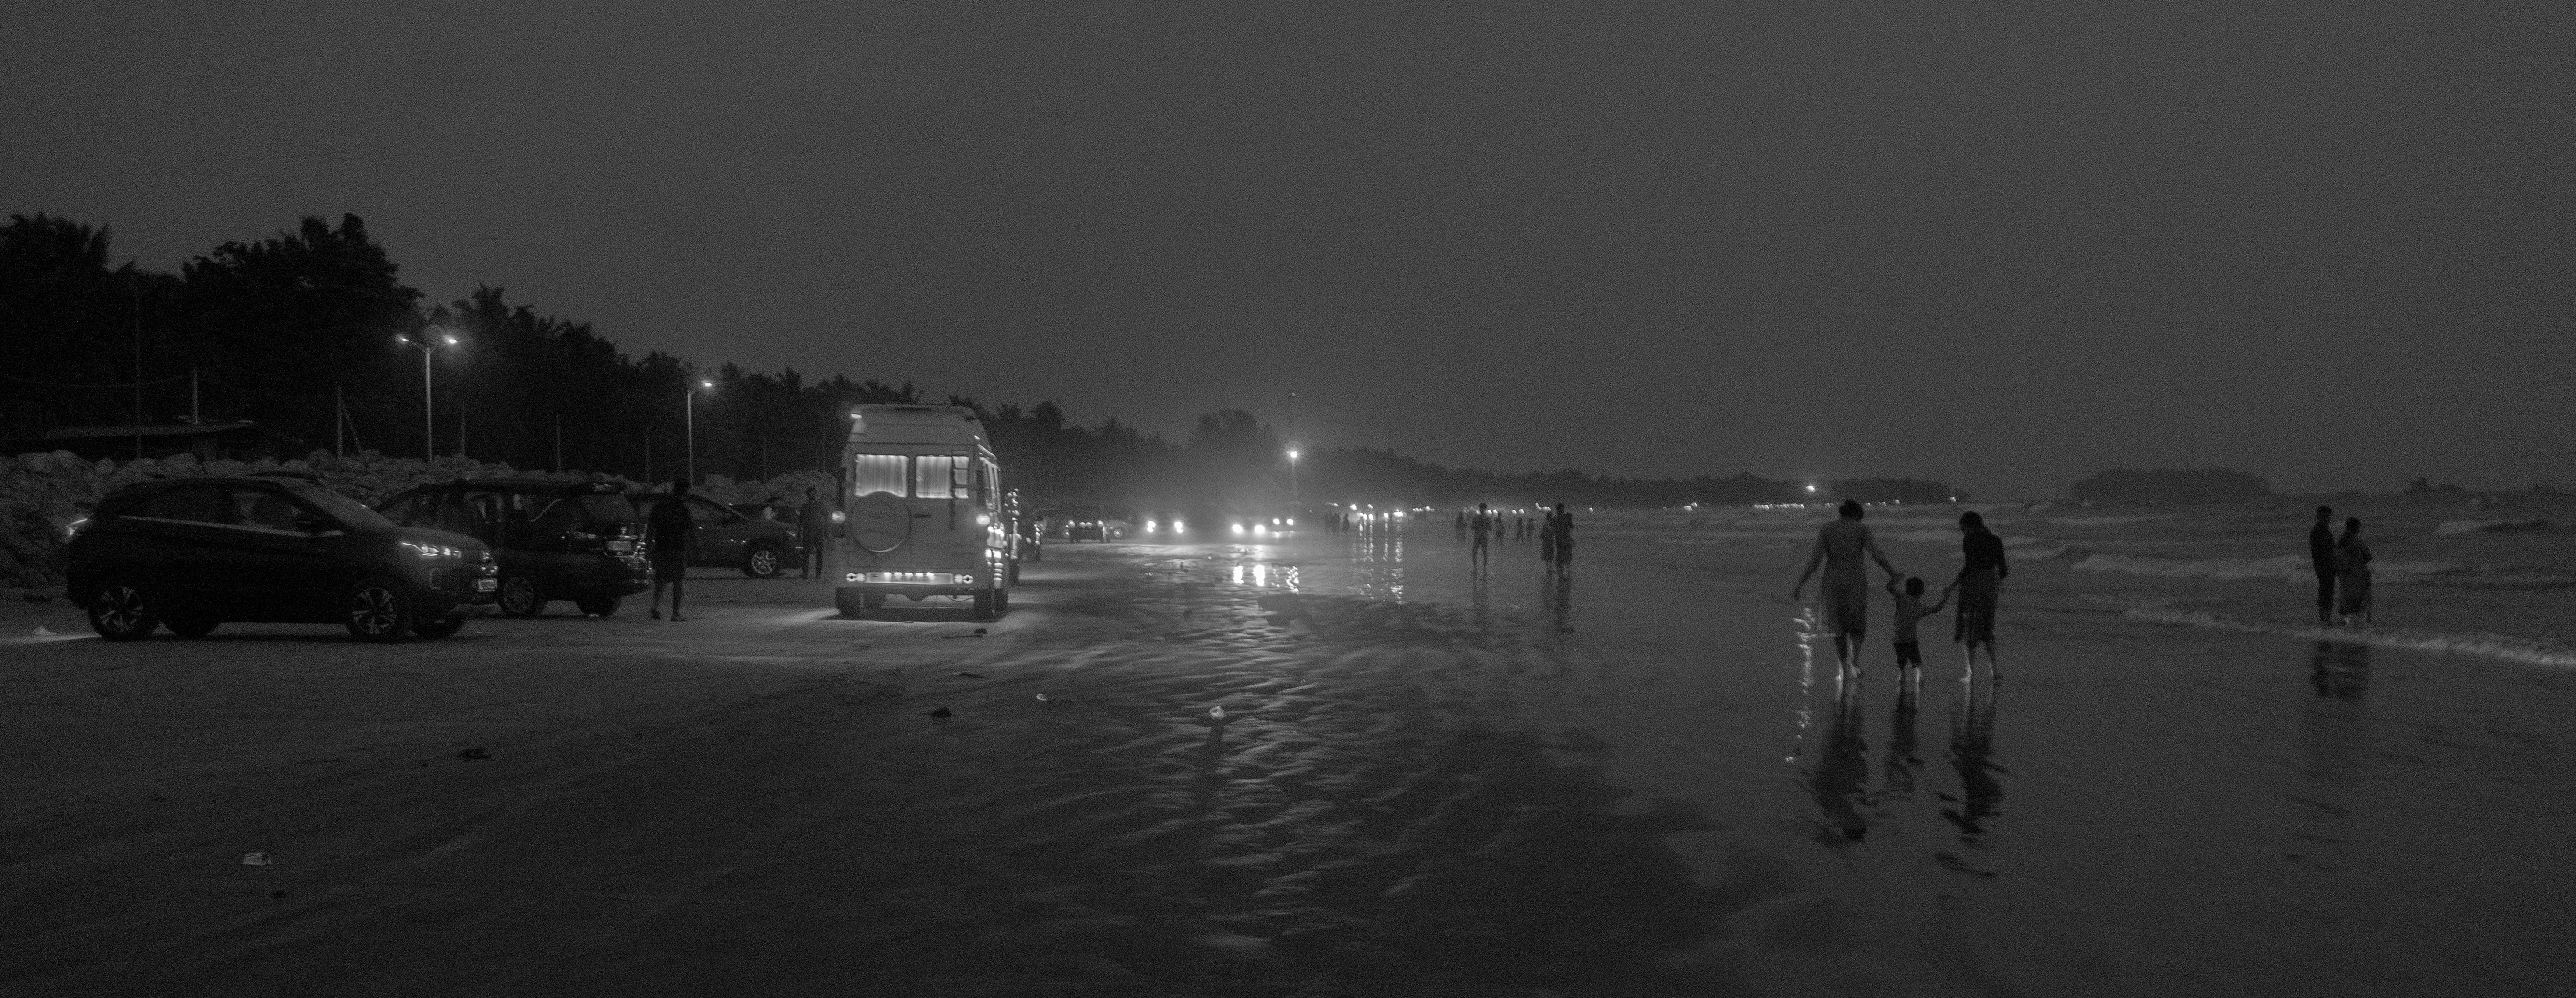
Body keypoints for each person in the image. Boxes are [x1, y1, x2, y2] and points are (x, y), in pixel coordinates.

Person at [1792, 500, 1901, 670]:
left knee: (1838, 625)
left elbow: (1815, 561)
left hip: (1833, 580)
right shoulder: (1861, 529)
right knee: (1857, 623)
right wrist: (1892, 573)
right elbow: (1877, 556)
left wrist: (1800, 584)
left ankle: (1844, 663)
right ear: (1857, 514)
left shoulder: (1827, 529)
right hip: (1855, 580)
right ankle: (1855, 661)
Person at [1951, 510, 2008, 675]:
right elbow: (2003, 570)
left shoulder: (1969, 540)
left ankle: (1970, 672)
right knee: (1987, 628)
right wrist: (1997, 584)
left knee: (1970, 626)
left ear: (1969, 526)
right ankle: (1994, 669)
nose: (1963, 532)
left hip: (1973, 585)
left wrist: (1955, 583)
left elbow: (1970, 567)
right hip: (1991, 586)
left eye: (1963, 529)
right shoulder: (1996, 540)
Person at [647, 479, 695, 621]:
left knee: (660, 579)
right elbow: (691, 531)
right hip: (677, 549)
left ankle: (655, 607)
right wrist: (696, 548)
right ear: (685, 492)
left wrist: (648, 546)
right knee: (678, 581)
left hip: (661, 547)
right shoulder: (683, 509)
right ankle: (675, 613)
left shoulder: (660, 507)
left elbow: (651, 528)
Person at [1887, 575, 1949, 678]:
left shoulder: (1901, 597)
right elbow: (1936, 609)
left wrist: (1895, 578)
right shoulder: (1920, 607)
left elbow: (1889, 587)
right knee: (1916, 661)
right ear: (1922, 592)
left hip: (1898, 636)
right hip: (1911, 638)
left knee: (1901, 660)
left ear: (1907, 589)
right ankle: (1919, 678)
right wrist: (1946, 598)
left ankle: (1902, 675)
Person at [2335, 517, 2373, 626]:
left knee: (2346, 602)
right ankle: (2363, 625)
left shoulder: (2341, 542)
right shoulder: (2357, 542)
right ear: (2357, 528)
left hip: (2346, 576)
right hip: (2358, 575)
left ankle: (2346, 625)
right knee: (2363, 601)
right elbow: (2368, 556)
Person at [2308, 505, 2338, 626]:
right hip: (2323, 564)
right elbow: (2322, 550)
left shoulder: (2323, 530)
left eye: (2328, 516)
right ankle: (2325, 618)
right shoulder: (2319, 531)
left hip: (2325, 564)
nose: (2328, 519)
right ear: (2319, 517)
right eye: (2325, 516)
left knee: (2327, 590)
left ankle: (2325, 618)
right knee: (2327, 590)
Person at [796, 486, 833, 580]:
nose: (812, 495)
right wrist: (799, 533)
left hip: (817, 531)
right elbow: (801, 521)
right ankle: (806, 573)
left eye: (813, 493)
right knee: (806, 554)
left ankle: (817, 573)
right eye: (810, 493)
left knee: (818, 553)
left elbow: (827, 519)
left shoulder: (820, 505)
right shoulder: (806, 506)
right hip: (809, 532)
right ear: (808, 495)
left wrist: (827, 531)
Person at [1551, 503, 1574, 573]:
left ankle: (1567, 569)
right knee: (1560, 554)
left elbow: (1571, 527)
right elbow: (1554, 529)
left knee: (1567, 554)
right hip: (1560, 539)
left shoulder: (1565, 518)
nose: (1563, 510)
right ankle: (1560, 569)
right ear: (1559, 510)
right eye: (1562, 509)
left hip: (1566, 539)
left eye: (1563, 509)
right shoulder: (1556, 519)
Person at [1470, 503, 1495, 568]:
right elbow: (1490, 528)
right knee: (1484, 553)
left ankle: (1476, 567)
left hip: (1478, 537)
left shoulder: (1476, 517)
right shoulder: (1487, 518)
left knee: (1475, 553)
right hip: (1484, 537)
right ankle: (1484, 568)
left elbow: (1472, 527)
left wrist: (1478, 526)